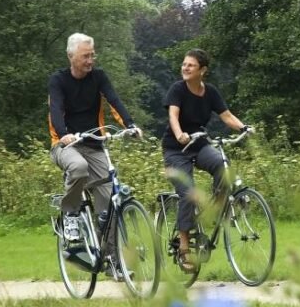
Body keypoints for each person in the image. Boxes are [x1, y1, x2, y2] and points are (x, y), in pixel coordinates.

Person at [162, 48, 251, 271]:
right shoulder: (178, 89)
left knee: (223, 166)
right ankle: (184, 249)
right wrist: (180, 134)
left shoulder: (210, 92)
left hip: (200, 144)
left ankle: (216, 211)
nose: (185, 68)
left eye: (190, 65)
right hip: (176, 148)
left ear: (202, 70)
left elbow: (226, 116)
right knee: (188, 193)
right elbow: (173, 115)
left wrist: (244, 127)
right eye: (184, 64)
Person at [48, 32, 142, 242]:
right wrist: (64, 135)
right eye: (85, 56)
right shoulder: (58, 80)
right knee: (79, 168)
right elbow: (55, 110)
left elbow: (114, 100)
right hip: (65, 146)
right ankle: (70, 213)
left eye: (92, 55)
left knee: (109, 200)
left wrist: (130, 125)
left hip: (93, 144)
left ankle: (112, 259)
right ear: (71, 56)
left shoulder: (98, 77)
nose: (90, 61)